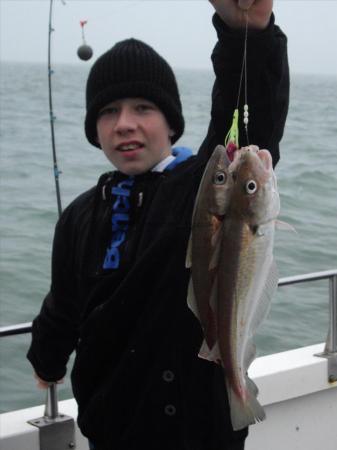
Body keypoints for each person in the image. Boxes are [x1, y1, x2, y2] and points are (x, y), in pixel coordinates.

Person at [27, 1, 289, 449]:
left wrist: (249, 32)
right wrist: (47, 361)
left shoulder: (203, 189)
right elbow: (65, 303)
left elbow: (247, 116)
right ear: (94, 128)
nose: (124, 124)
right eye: (109, 112)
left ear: (171, 122)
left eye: (143, 107)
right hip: (111, 431)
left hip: (199, 428)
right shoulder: (80, 216)